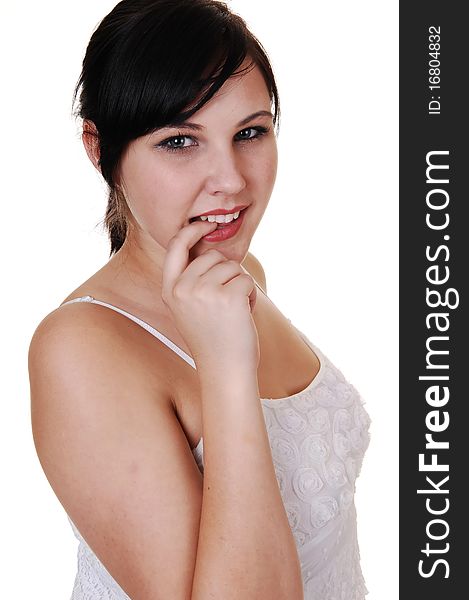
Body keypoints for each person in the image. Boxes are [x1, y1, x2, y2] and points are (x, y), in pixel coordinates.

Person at [28, 1, 371, 598]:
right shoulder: (80, 349)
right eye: (180, 141)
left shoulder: (239, 278)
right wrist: (225, 366)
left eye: (250, 132)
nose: (232, 179)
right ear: (98, 149)